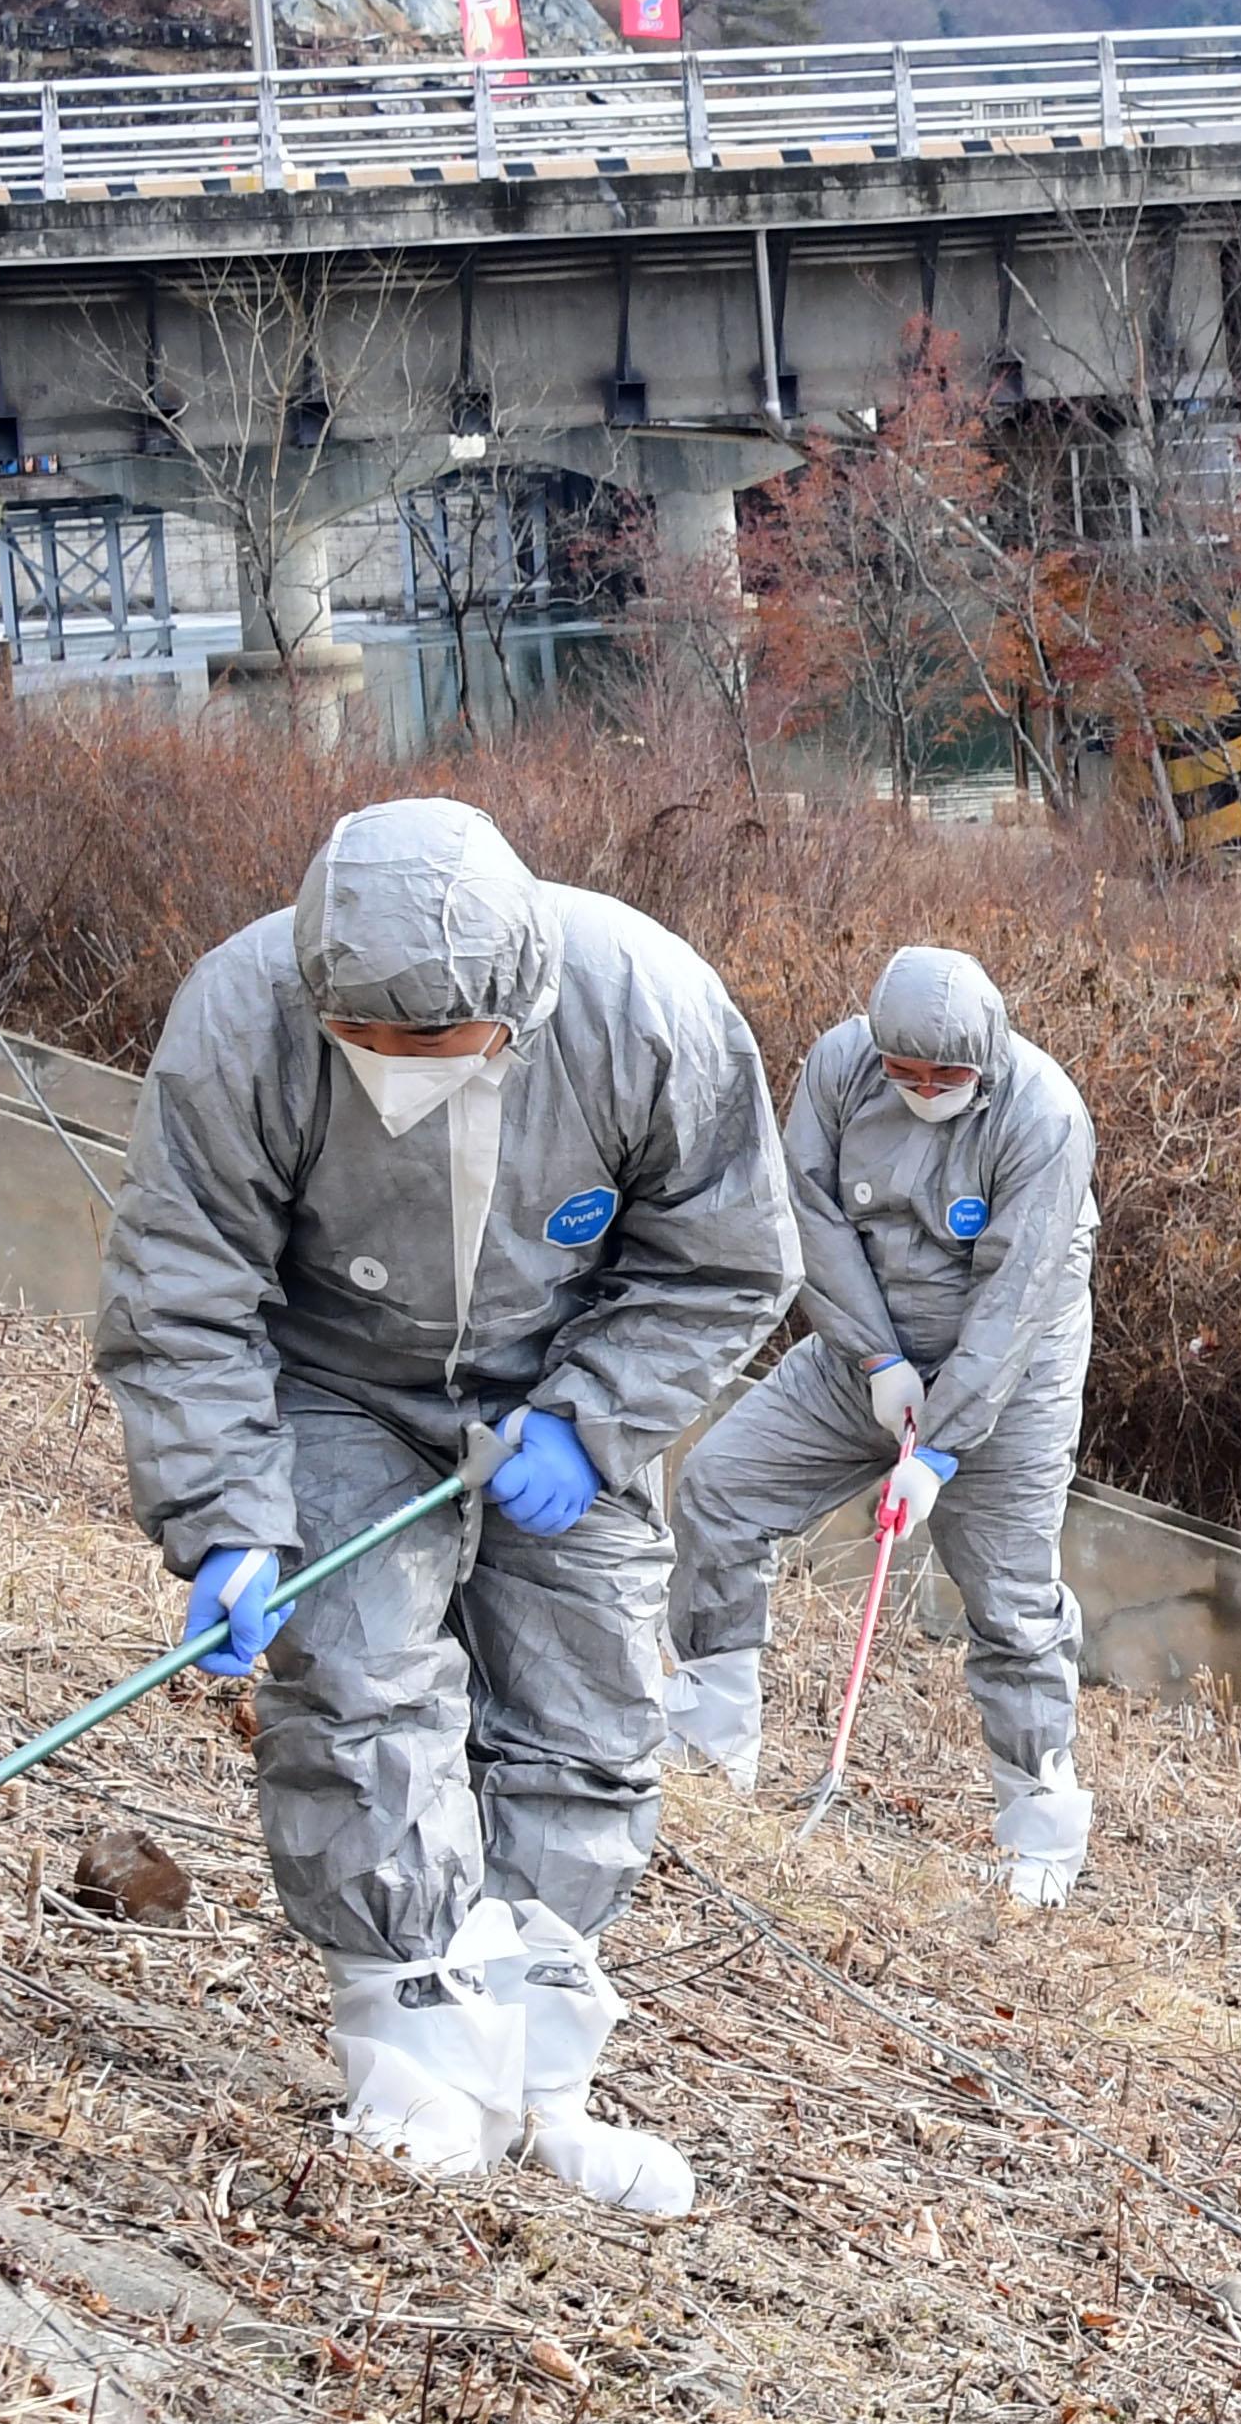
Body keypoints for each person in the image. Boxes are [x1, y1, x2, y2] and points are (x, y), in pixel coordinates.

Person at [97, 797, 795, 2218]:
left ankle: (542, 2085)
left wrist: (594, 1422)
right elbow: (184, 1284)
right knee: (359, 1682)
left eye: (443, 1050)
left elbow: (725, 1261)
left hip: (562, 1384)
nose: (407, 1076)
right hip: (337, 1380)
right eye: (378, 1049)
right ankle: (413, 2066)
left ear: (520, 1007)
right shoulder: (245, 1020)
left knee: (590, 1705)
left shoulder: (645, 1009)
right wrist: (229, 1515)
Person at [661, 946, 1103, 1902]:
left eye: (947, 1077)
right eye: (906, 1072)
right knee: (720, 1486)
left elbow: (1018, 1299)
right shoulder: (838, 1068)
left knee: (1011, 1601)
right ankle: (709, 1739)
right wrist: (875, 1360)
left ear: (988, 1058)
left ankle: (1039, 1834)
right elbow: (810, 1214)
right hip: (867, 1352)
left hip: (1005, 1383)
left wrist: (938, 1446)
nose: (925, 1088)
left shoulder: (1045, 1116)